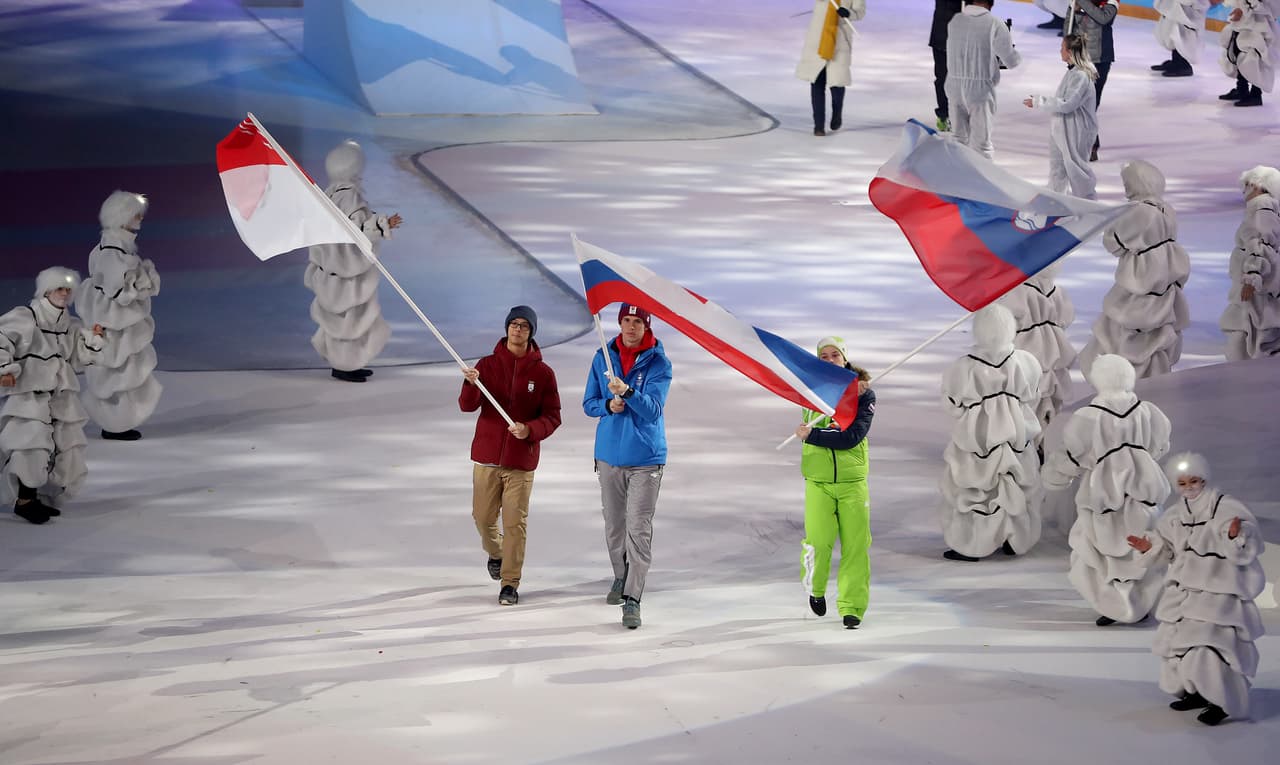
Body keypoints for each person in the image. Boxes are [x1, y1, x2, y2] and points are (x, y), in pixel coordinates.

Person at [1128, 453, 1266, 726]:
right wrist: (1149, 547)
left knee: (1212, 645)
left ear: (1203, 479)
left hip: (1218, 592)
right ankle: (1196, 692)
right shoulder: (1174, 515)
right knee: (1182, 644)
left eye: (1194, 481)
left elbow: (1245, 536)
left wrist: (1234, 536)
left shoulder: (1225, 507)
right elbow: (1167, 550)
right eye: (1182, 483)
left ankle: (1222, 700)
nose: (1189, 487)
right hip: (1185, 593)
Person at [1042, 355, 1171, 626]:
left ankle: (1114, 605)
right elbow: (1159, 447)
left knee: (1099, 547)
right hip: (1142, 490)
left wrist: (1055, 476)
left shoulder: (1089, 416)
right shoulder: (1148, 412)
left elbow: (1073, 455)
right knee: (1140, 543)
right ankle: (1139, 603)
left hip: (1101, 493)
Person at [460, 306, 562, 606]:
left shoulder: (543, 373)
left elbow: (553, 416)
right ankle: (497, 553)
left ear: (532, 332)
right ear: (506, 328)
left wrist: (529, 430)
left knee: (515, 524)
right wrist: (470, 384)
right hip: (487, 458)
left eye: (524, 326)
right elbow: (467, 406)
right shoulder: (487, 365)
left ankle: (509, 582)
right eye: (514, 324)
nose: (518, 329)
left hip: (520, 463)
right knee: (483, 518)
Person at [583, 304, 672, 630]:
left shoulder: (659, 363)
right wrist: (609, 404)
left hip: (645, 460)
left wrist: (629, 392)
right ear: (619, 323)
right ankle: (620, 576)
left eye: (637, 322)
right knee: (614, 526)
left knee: (638, 528)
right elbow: (589, 403)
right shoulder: (602, 357)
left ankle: (633, 597)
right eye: (626, 321)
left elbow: (653, 410)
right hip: (609, 456)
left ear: (647, 326)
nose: (631, 327)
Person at [0, 268, 104, 524]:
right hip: (30, 396)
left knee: (62, 446)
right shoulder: (27, 317)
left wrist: (93, 340)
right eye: (59, 288)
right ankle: (24, 501)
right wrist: (5, 369)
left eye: (68, 289)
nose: (65, 294)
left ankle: (39, 497)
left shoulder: (70, 325)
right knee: (31, 446)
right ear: (46, 290)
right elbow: (2, 337)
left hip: (59, 396)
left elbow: (78, 359)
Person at [939, 304, 1043, 561]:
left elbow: (953, 404)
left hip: (979, 435)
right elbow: (1033, 394)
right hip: (1016, 432)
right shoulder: (1026, 361)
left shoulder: (964, 367)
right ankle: (1014, 539)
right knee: (1013, 483)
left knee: (978, 487)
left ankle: (974, 544)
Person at [1079, 161, 1191, 378]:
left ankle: (1122, 373)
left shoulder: (1136, 211)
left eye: (1127, 183)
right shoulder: (1166, 209)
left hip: (1142, 275)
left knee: (1128, 322)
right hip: (1165, 274)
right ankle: (1153, 369)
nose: (1126, 188)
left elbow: (1113, 243)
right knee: (1156, 323)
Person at [305, 139, 402, 383]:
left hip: (330, 273)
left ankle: (346, 363)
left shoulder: (329, 194)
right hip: (346, 275)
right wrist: (383, 224)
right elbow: (357, 231)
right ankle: (345, 365)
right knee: (350, 320)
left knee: (339, 320)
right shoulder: (350, 197)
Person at [796, 337, 876, 630]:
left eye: (835, 355)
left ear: (845, 359)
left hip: (852, 482)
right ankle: (816, 589)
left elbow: (851, 437)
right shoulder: (808, 392)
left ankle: (852, 606)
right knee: (818, 542)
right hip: (818, 481)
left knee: (856, 546)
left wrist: (812, 436)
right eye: (824, 356)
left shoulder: (863, 393)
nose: (830, 360)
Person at [74, 190, 162, 441]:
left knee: (121, 367)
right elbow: (116, 288)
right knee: (118, 367)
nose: (140, 218)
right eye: (135, 214)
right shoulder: (112, 249)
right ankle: (115, 423)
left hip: (117, 318)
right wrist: (138, 284)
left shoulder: (114, 245)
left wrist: (138, 280)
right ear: (122, 217)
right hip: (114, 318)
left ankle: (118, 421)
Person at [996, 262, 1075, 460]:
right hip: (1052, 350)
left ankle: (1028, 447)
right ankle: (1042, 444)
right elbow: (1066, 318)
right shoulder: (1057, 291)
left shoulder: (1018, 291)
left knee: (1028, 398)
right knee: (1045, 399)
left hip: (1027, 349)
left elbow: (1007, 318)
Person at [1023, 33, 1098, 200]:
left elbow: (1068, 103)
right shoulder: (1073, 72)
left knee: (1078, 172)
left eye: (1062, 48)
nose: (1060, 51)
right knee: (1058, 170)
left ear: (1070, 52)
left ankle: (1088, 207)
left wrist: (1039, 101)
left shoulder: (1081, 76)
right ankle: (1056, 203)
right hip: (1063, 131)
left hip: (1076, 132)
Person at [945, 0, 1021, 159]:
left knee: (958, 140)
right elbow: (1011, 61)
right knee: (982, 146)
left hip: (954, 86)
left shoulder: (955, 21)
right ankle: (982, 174)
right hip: (980, 90)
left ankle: (956, 172)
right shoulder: (994, 23)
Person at [1220, 165, 1280, 360]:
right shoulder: (1265, 209)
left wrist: (1252, 276)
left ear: (1259, 186)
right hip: (1260, 285)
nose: (1244, 190)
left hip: (1257, 289)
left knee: (1252, 331)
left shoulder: (1261, 208)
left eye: (1247, 184)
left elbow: (1262, 243)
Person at [797, 1, 866, 136]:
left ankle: (837, 113)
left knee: (837, 83)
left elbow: (860, 11)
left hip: (839, 40)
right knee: (817, 81)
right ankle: (818, 126)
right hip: (818, 39)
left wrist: (848, 13)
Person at [1068, 1, 1118, 161]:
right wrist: (1068, 51)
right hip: (1079, 59)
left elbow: (1103, 18)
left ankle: (1091, 145)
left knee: (1090, 105)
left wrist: (1082, 2)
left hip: (1100, 61)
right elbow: (1069, 25)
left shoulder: (1111, 2)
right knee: (1078, 103)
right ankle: (1084, 144)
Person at [1213, 0, 1279, 107]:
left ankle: (1256, 94)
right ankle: (1242, 89)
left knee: (1254, 53)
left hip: (1258, 18)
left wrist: (1243, 10)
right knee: (1239, 50)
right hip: (1247, 17)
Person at [1152, 0, 1211, 77]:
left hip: (1190, 9)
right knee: (1173, 30)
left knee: (1183, 34)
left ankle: (1183, 65)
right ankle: (1176, 62)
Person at [929, 1, 965, 131]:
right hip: (943, 36)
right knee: (943, 78)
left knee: (954, 78)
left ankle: (953, 115)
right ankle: (944, 115)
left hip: (953, 36)